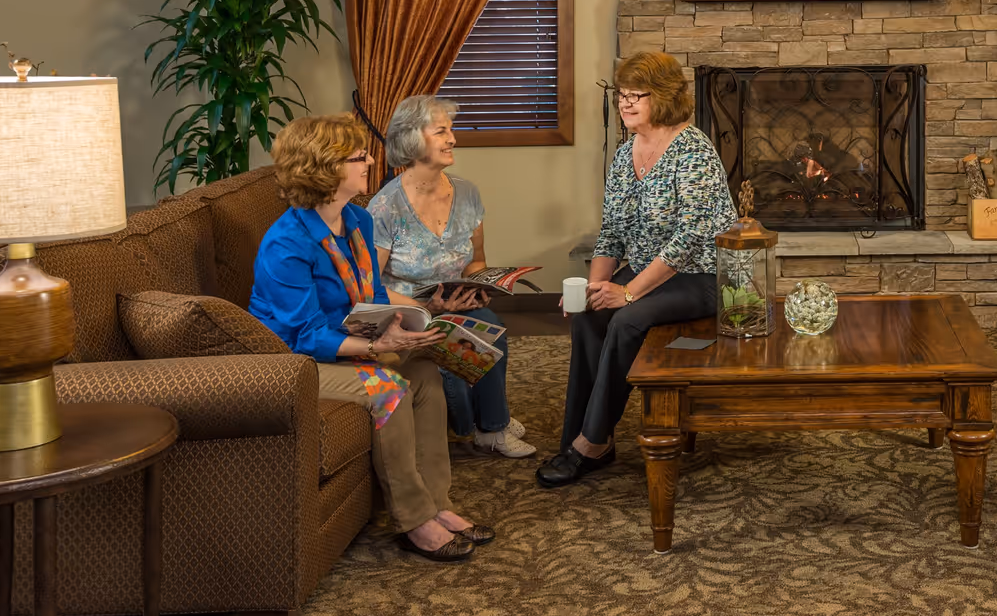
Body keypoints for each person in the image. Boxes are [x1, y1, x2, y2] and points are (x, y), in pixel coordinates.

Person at [249, 113, 488, 563]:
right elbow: (305, 334)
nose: (370, 160)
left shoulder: (356, 218)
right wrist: (380, 348)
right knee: (391, 389)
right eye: (358, 156)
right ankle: (413, 520)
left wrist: (407, 327)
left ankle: (438, 503)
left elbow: (372, 298)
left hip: (350, 341)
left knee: (425, 374)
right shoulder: (285, 244)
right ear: (325, 168)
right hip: (296, 362)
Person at [537, 51, 738, 489]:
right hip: (653, 271)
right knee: (592, 315)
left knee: (627, 319)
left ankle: (590, 443)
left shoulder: (693, 150)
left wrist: (628, 293)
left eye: (636, 96)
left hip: (706, 275)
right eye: (622, 96)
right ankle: (586, 436)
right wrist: (592, 288)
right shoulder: (626, 155)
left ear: (664, 97)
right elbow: (611, 232)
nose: (626, 105)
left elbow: (688, 241)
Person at [368, 94, 534, 459]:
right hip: (407, 313)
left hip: (456, 304)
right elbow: (370, 285)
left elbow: (476, 262)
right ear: (412, 140)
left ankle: (493, 428)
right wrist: (426, 306)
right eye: (441, 131)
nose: (453, 138)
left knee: (489, 326)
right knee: (456, 397)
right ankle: (475, 424)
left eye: (451, 130)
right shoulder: (384, 208)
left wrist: (483, 284)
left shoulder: (468, 193)